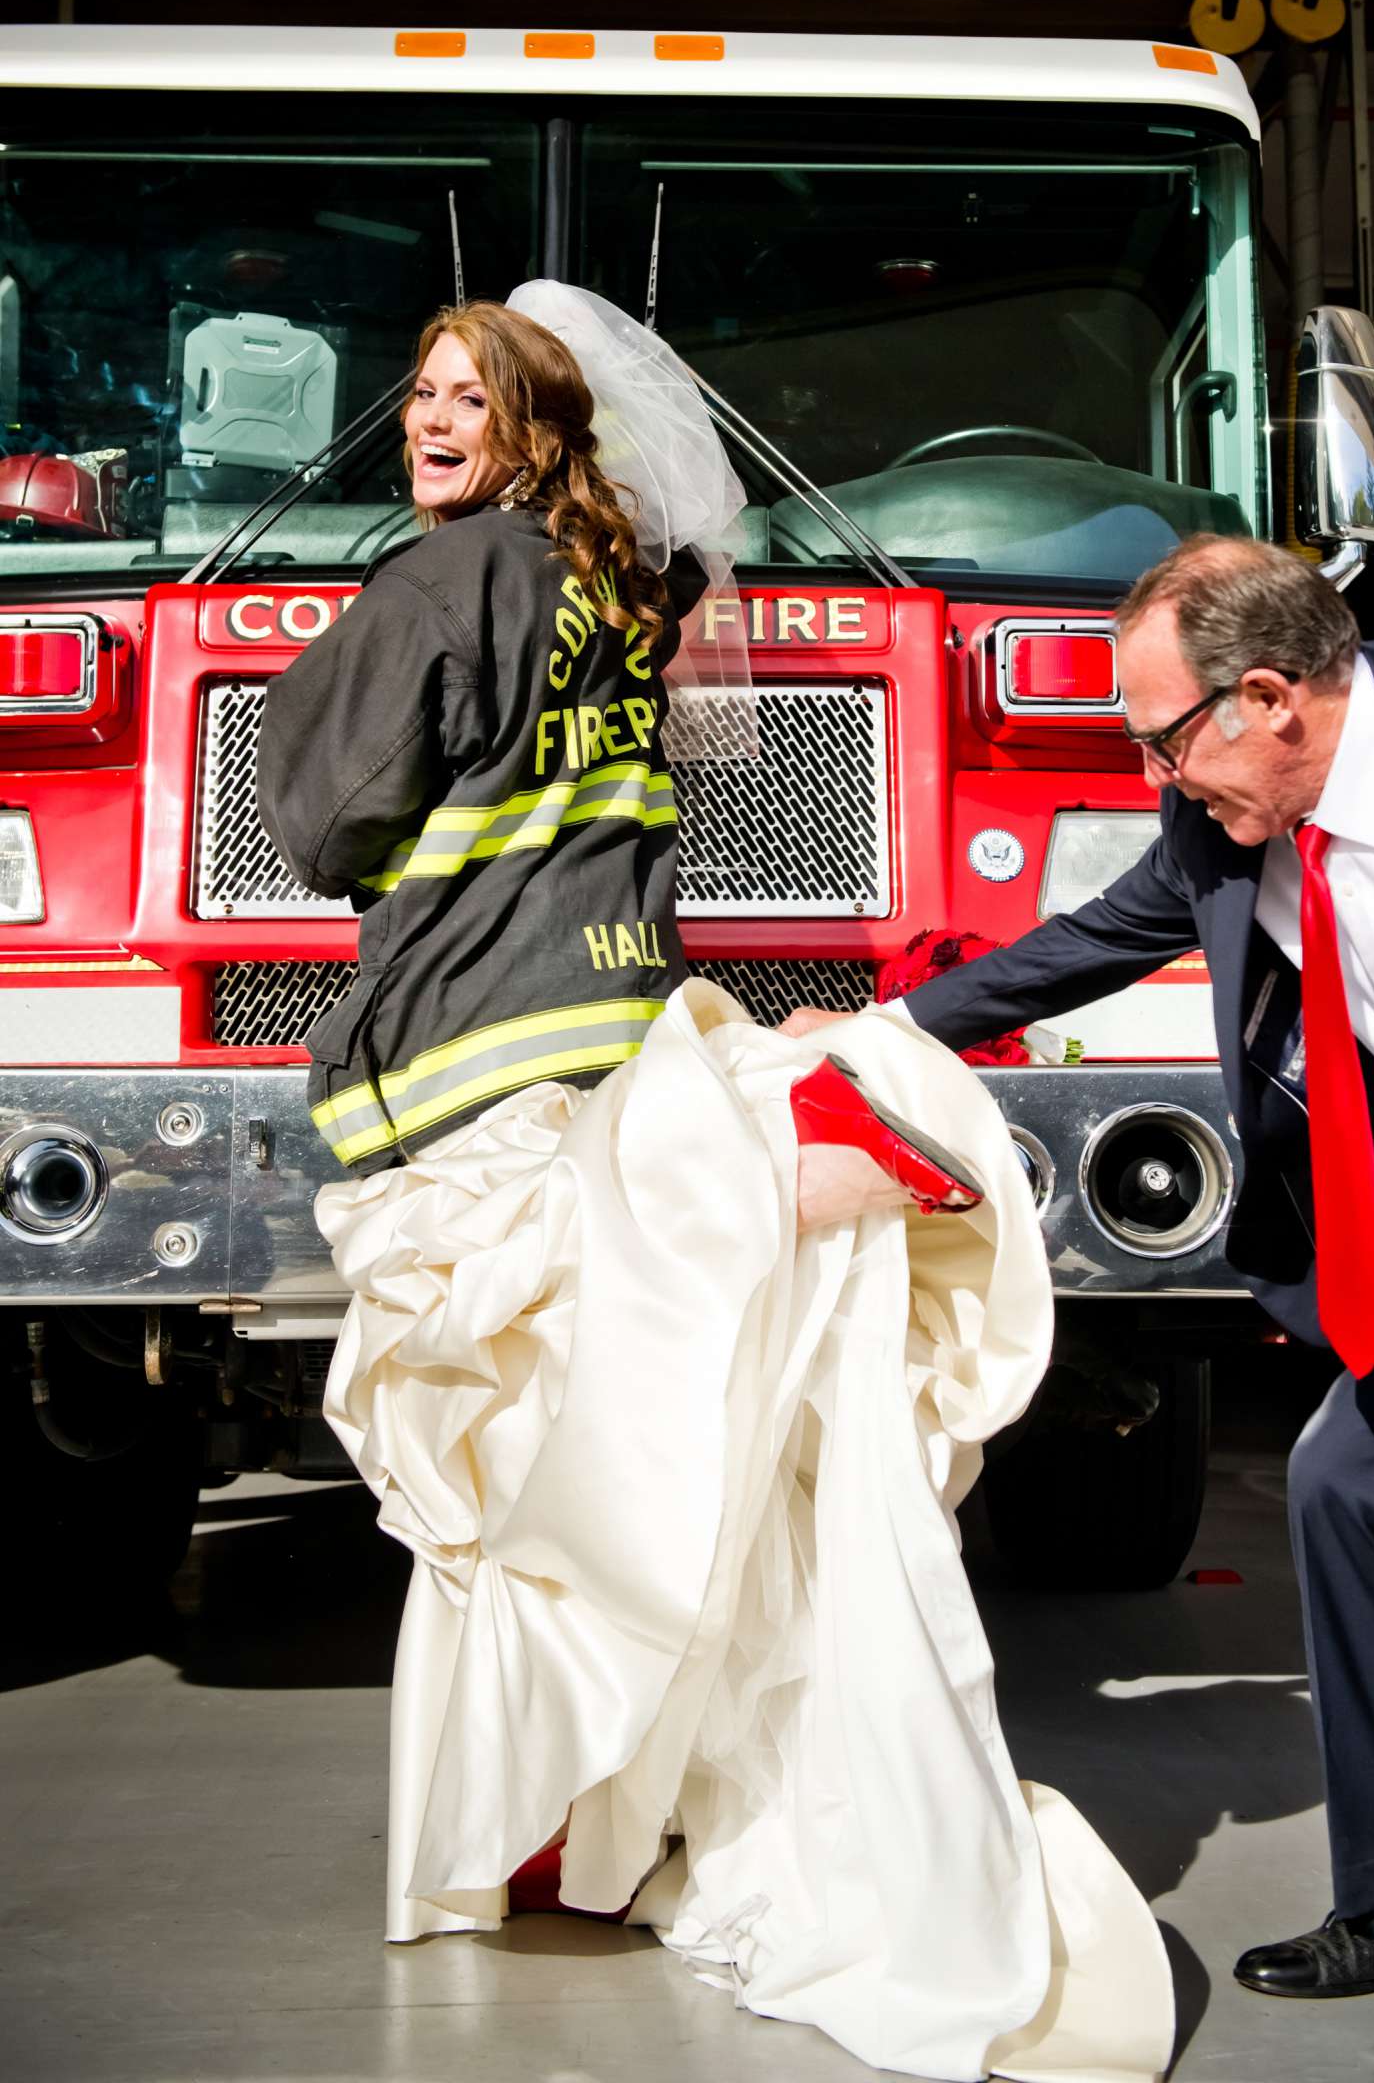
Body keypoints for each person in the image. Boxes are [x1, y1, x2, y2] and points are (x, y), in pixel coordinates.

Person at [255, 290, 1176, 2083]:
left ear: (533, 423)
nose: (428, 421)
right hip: (615, 1047)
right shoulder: (624, 589)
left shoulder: (446, 584)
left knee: (507, 1472)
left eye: (469, 397)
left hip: (460, 1071)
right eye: (421, 395)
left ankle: (543, 1827)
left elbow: (317, 818)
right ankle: (612, 1807)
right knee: (641, 1430)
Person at [785, 531, 1374, 2001]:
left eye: (1163, 740)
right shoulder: (1229, 827)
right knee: (1350, 1484)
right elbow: (1093, 940)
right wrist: (882, 1032)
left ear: (1272, 699)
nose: (1156, 778)